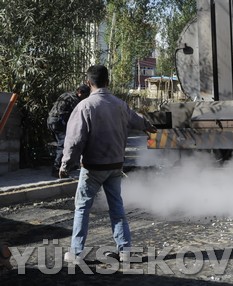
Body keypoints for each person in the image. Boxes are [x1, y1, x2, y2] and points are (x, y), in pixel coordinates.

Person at [61, 64, 157, 264]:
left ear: (88, 83)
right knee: (117, 208)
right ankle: (125, 251)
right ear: (108, 81)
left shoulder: (84, 107)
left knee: (82, 207)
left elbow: (75, 141)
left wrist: (65, 165)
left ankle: (76, 254)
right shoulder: (119, 104)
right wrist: (149, 126)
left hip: (92, 167)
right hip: (115, 166)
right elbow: (137, 120)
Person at [47, 84, 90, 177]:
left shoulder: (66, 94)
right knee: (64, 145)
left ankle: (68, 165)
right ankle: (56, 169)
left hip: (51, 120)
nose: (85, 98)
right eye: (85, 95)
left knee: (60, 144)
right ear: (80, 92)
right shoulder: (75, 100)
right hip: (59, 122)